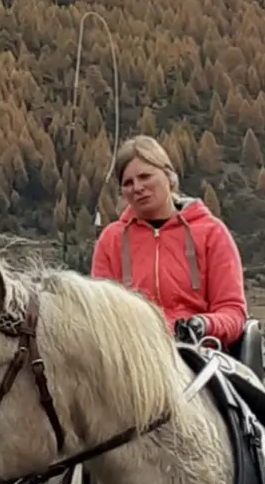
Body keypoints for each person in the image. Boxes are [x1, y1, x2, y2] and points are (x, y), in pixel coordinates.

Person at [90, 134, 249, 350]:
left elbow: (232, 311)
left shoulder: (212, 233)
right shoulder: (111, 241)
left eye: (145, 176)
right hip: (135, 356)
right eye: (128, 183)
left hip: (198, 354)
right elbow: (100, 313)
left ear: (169, 177)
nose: (137, 187)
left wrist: (203, 324)